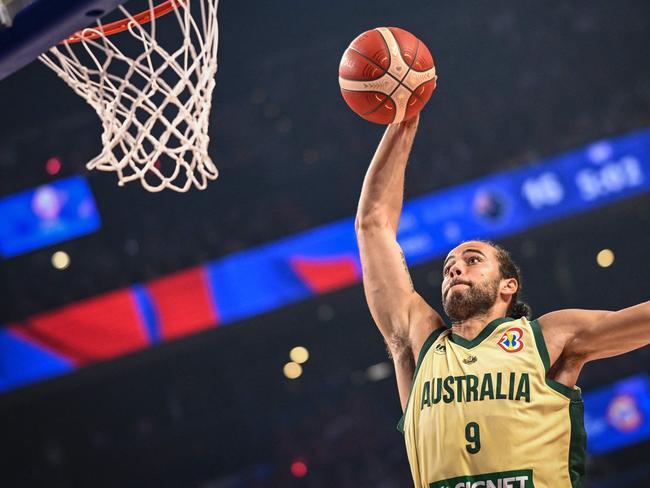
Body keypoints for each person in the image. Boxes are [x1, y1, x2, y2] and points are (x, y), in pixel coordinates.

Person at [354, 114, 650, 488]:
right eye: (448, 268)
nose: (455, 270)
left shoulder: (549, 336)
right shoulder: (419, 343)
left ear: (508, 285)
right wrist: (403, 121)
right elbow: (372, 226)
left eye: (472, 260)